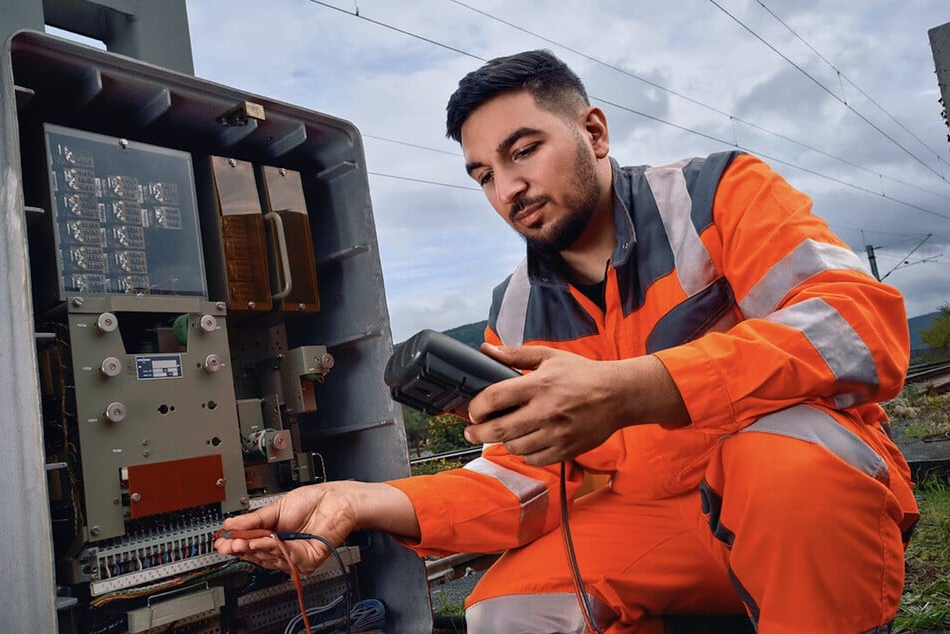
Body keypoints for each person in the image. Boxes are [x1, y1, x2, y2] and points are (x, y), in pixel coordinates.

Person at [215, 50, 920, 633]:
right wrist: (358, 501)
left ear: (594, 132)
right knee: (506, 607)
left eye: (523, 151)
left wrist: (631, 390)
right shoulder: (515, 310)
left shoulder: (718, 195)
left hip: (797, 500)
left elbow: (857, 325)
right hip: (665, 522)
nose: (508, 189)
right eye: (484, 175)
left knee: (782, 459)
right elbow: (519, 482)